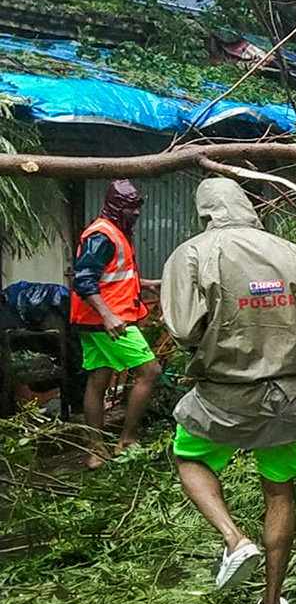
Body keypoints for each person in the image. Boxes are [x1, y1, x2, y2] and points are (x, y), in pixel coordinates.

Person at [160, 178, 296, 604]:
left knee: (188, 456)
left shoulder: (194, 253)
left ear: (205, 212)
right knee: (279, 492)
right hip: (290, 397)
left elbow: (182, 329)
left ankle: (234, 540)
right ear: (249, 207)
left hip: (223, 394)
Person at [69, 179, 162, 469]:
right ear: (114, 206)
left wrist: (144, 284)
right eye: (130, 207)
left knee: (98, 380)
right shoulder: (101, 235)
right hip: (106, 322)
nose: (135, 213)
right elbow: (83, 281)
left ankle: (96, 451)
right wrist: (108, 315)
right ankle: (127, 440)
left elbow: (111, 277)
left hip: (96, 321)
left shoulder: (116, 232)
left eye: (137, 207)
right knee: (150, 371)